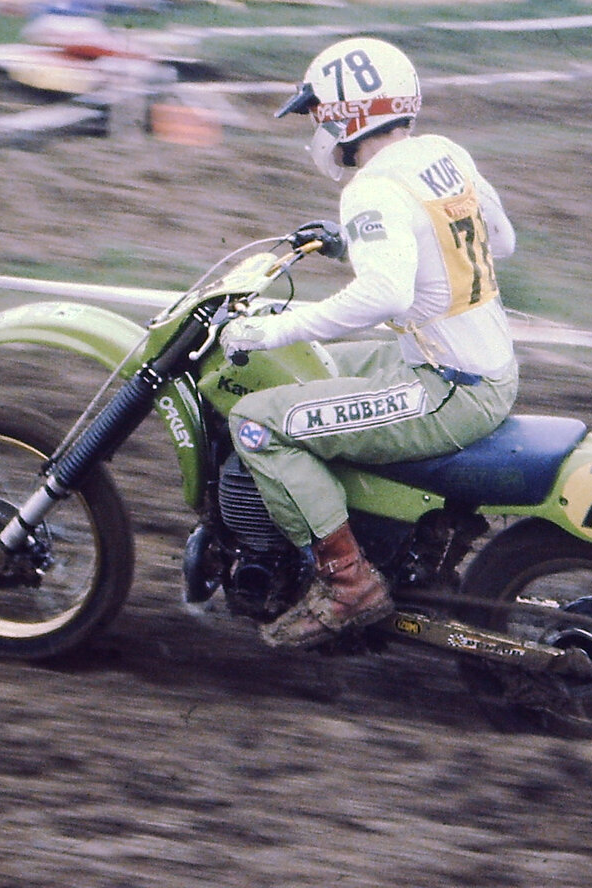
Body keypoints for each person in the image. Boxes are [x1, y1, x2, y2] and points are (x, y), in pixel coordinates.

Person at [220, 36, 519, 649]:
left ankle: (348, 581)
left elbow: (383, 295)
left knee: (256, 421)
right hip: (480, 366)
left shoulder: (371, 188)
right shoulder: (443, 154)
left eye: (315, 115)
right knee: (310, 366)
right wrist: (356, 243)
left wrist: (271, 328)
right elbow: (502, 241)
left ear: (344, 115)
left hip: (447, 387)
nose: (315, 129)